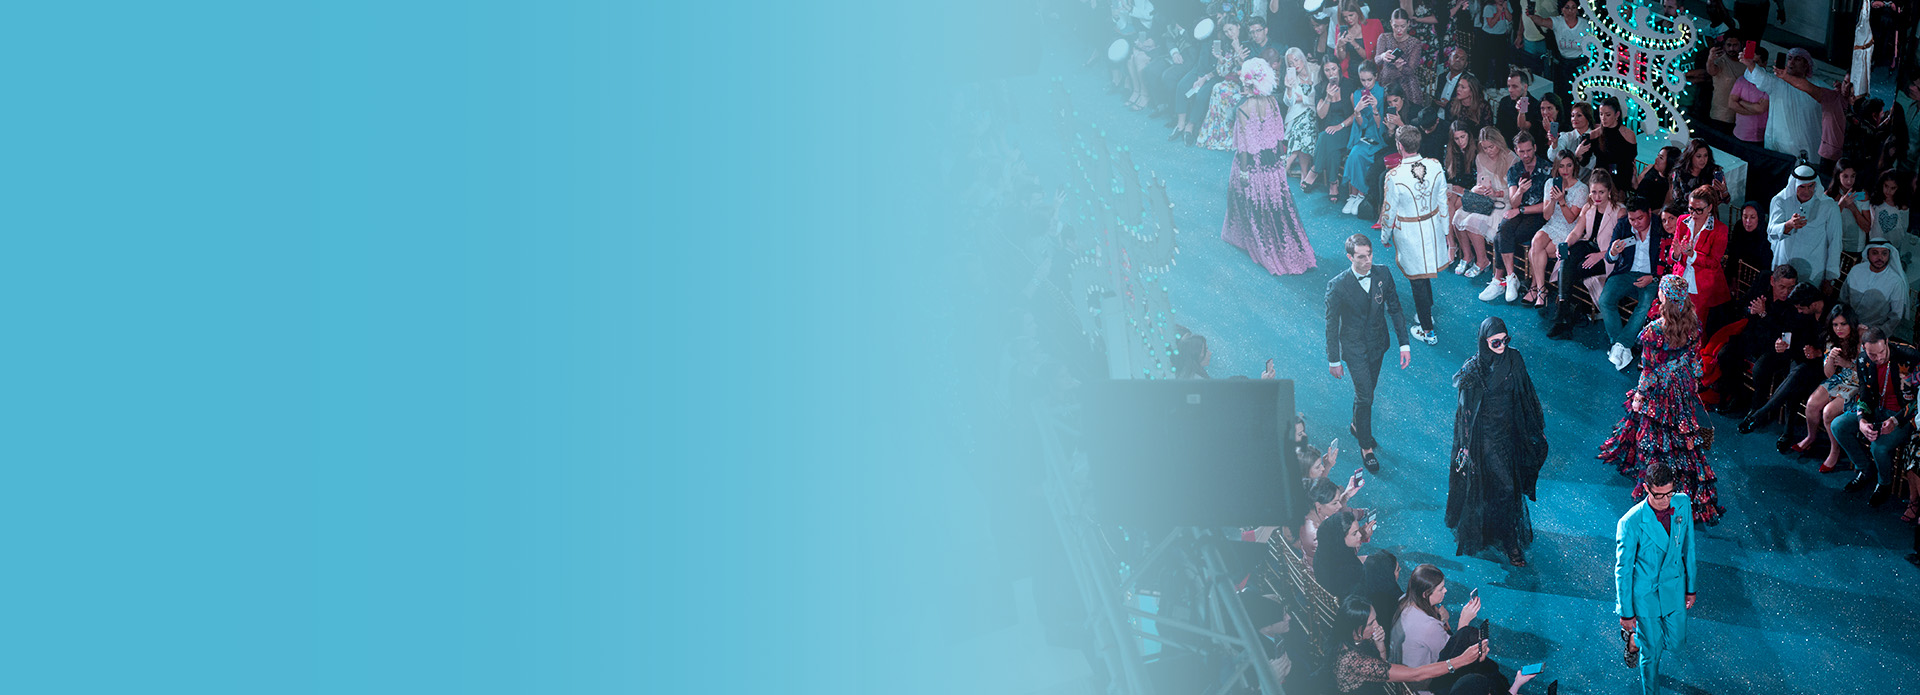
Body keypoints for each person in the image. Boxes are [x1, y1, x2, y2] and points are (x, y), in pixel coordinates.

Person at [1599, 275, 1726, 525]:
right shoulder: (1694, 325)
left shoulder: (1653, 332)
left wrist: (1640, 395)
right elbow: (1695, 362)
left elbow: (1648, 372)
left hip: (1658, 393)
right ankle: (1680, 482)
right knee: (1681, 435)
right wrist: (1691, 382)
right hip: (1682, 388)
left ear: (1664, 297)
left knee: (1654, 437)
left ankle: (1656, 487)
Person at [1446, 317, 1549, 566]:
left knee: (1506, 487)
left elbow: (1527, 393)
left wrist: (1536, 427)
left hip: (1513, 433)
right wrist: (1465, 446)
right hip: (1486, 439)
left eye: (1505, 340)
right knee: (1506, 488)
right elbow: (1465, 413)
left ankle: (1502, 533)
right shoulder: (1473, 370)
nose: (1502, 346)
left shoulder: (1515, 359)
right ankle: (1510, 542)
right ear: (1484, 342)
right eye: (1495, 342)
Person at [1223, 58, 1320, 276]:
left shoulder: (1243, 108)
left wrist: (1244, 171)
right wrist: (1278, 163)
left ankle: (1250, 241)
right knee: (1278, 206)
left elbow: (1244, 146)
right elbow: (1278, 136)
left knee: (1246, 201)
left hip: (1252, 164)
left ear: (1247, 82)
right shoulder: (1273, 102)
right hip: (1272, 163)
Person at [1327, 234, 1413, 473]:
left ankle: (1357, 425)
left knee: (1367, 391)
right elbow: (1331, 326)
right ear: (1350, 257)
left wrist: (1404, 344)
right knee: (1365, 396)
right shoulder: (1337, 286)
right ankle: (1365, 446)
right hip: (1354, 348)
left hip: (1378, 344)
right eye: (1361, 257)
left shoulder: (1383, 273)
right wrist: (1334, 359)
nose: (1367, 261)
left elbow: (1395, 309)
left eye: (1370, 255)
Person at [1614, 461, 1699, 695]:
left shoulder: (1682, 503)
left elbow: (1689, 547)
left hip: (1675, 587)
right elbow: (1622, 571)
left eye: (1669, 494)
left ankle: (1635, 640)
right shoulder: (1630, 522)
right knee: (1652, 654)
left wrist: (1691, 588)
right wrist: (1626, 612)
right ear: (1646, 489)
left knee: (1676, 643)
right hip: (1646, 595)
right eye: (1659, 495)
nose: (1665, 501)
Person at [1330, 595, 1494, 695]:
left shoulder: (1352, 639)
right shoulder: (1354, 662)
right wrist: (1461, 660)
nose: (1377, 625)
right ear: (1356, 629)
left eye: (1375, 619)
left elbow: (1381, 667)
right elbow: (1415, 674)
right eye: (1371, 623)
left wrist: (1380, 645)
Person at [1831, 326, 1920, 508]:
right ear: (1864, 348)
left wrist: (1895, 420)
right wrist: (1862, 420)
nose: (1878, 358)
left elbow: (1918, 401)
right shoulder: (1863, 359)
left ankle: (1884, 483)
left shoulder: (1910, 356)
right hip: (1876, 409)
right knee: (1838, 426)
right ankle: (1865, 469)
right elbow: (1864, 394)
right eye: (1873, 355)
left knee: (1878, 448)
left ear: (1887, 342)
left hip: (1904, 416)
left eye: (1881, 352)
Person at [1382, 125, 1452, 344]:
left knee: (1418, 281)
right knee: (1425, 273)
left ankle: (1428, 331)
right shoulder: (1435, 165)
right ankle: (1426, 311)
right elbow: (1443, 202)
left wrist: (1385, 236)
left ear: (1399, 146)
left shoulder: (1394, 176)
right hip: (1433, 227)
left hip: (1409, 233)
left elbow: (1388, 212)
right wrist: (1446, 232)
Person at [1390, 565, 1498, 695]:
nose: (1445, 590)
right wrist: (1464, 621)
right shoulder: (1429, 627)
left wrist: (1440, 618)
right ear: (1425, 594)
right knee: (1482, 665)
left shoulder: (1405, 600)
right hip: (1426, 683)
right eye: (1441, 589)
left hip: (1405, 673)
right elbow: (1455, 653)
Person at [1549, 169, 1626, 336]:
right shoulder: (1588, 207)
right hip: (1589, 246)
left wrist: (1601, 255)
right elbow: (1577, 232)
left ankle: (1564, 315)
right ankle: (1564, 312)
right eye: (1593, 192)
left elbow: (1623, 245)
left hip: (1608, 255)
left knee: (1574, 269)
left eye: (1601, 192)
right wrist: (1565, 244)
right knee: (1566, 257)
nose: (1597, 196)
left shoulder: (1619, 211)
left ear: (1609, 191)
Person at [1479, 131, 1551, 303]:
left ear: (1535, 148)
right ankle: (1510, 277)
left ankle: (1500, 279)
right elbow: (1514, 202)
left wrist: (1520, 210)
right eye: (1521, 151)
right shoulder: (1515, 170)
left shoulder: (1547, 168)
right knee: (1503, 229)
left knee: (1501, 236)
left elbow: (1547, 206)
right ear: (1516, 151)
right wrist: (1520, 191)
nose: (1525, 155)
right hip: (1519, 211)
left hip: (1538, 214)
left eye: (1528, 150)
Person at [1791, 305, 1862, 473]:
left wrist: (1847, 364)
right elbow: (1829, 374)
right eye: (1835, 325)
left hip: (1859, 383)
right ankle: (1811, 437)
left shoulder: (1861, 338)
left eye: (1843, 324)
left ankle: (1834, 450)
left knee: (1828, 412)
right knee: (1812, 404)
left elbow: (1869, 371)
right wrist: (1830, 358)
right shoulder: (1832, 339)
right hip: (1839, 379)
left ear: (1851, 323)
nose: (1839, 329)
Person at [1597, 203, 1666, 371]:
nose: (1635, 223)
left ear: (1649, 212)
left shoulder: (1660, 225)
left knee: (1645, 305)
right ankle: (1621, 345)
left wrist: (1653, 277)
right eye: (1632, 219)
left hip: (1651, 276)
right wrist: (1613, 252)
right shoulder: (1623, 225)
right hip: (1625, 272)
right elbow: (1610, 258)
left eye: (1640, 218)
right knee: (1605, 300)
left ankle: (1620, 345)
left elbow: (1667, 258)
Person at [1524, 150, 1587, 307]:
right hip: (1552, 225)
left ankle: (1535, 288)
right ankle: (1541, 290)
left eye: (1569, 165)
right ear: (1556, 167)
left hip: (1569, 230)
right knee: (1536, 242)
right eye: (1561, 166)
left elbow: (1571, 219)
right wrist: (1553, 200)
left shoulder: (1582, 189)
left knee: (1536, 252)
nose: (1565, 170)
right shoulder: (1550, 183)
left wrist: (1562, 201)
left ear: (1574, 166)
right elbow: (1546, 216)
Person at [1767, 163, 1844, 291]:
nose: (1807, 191)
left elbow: (1835, 242)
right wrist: (1788, 225)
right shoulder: (1780, 200)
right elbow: (1771, 233)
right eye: (1802, 187)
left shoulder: (1829, 206)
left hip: (1814, 270)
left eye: (1810, 186)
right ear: (1794, 185)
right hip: (1785, 265)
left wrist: (1830, 277)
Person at [1452, 126, 1516, 278]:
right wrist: (1478, 189)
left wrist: (1497, 193)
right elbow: (1479, 181)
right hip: (1485, 199)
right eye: (1485, 148)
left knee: (1472, 222)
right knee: (1457, 217)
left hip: (1503, 202)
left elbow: (1515, 192)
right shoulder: (1480, 157)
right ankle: (1467, 256)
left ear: (1498, 143)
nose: (1488, 151)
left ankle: (1483, 261)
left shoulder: (1512, 158)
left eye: (1491, 147)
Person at [1740, 48, 1821, 166]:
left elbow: (1835, 100)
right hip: (1780, 148)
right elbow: (1761, 78)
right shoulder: (1777, 82)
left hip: (1808, 146)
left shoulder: (1818, 85)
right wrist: (1750, 64)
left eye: (1797, 59)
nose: (1792, 62)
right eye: (1789, 58)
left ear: (1806, 65)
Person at [1664, 186, 1731, 323]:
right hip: (1680, 278)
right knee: (1672, 319)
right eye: (1691, 209)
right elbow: (1673, 253)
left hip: (1702, 284)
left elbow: (1714, 262)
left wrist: (1693, 255)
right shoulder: (1682, 220)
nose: (1693, 214)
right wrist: (1676, 254)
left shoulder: (1720, 229)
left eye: (1699, 210)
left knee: (1694, 323)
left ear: (1709, 208)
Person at [1342, 62, 1389, 215]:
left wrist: (1375, 108)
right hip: (1363, 136)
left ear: (1376, 76)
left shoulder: (1382, 93)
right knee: (1355, 153)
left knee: (1357, 154)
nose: (1366, 84)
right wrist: (1357, 112)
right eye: (1363, 80)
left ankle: (1360, 195)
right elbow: (1361, 125)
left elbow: (1381, 127)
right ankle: (1354, 196)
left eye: (1369, 79)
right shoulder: (1357, 94)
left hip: (1379, 136)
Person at [1842, 241, 1910, 339]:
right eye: (1875, 253)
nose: (1880, 257)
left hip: (1874, 334)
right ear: (1867, 254)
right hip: (1849, 326)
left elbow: (1895, 317)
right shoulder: (1856, 270)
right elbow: (1843, 299)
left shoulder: (1895, 282)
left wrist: (1875, 334)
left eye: (1884, 254)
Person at [1316, 59, 1357, 196]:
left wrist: (1341, 125)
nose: (1331, 73)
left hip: (1346, 126)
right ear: (1323, 72)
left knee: (1324, 137)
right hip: (1329, 127)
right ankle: (1333, 183)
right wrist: (1328, 97)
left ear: (1339, 68)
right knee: (1332, 148)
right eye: (1327, 70)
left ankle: (1315, 170)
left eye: (1333, 68)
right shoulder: (1320, 88)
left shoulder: (1349, 85)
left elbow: (1356, 113)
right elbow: (1321, 115)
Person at [1315, 508, 1375, 598]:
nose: (1359, 535)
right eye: (1354, 533)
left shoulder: (1327, 548)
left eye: (1358, 530)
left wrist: (1363, 535)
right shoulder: (1351, 571)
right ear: (1340, 538)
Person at [1283, 48, 1324, 180]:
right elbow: (1289, 102)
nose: (1295, 64)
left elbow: (1319, 97)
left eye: (1296, 60)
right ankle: (1303, 173)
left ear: (1302, 58)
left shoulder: (1316, 72)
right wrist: (1289, 88)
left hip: (1314, 114)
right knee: (1303, 130)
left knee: (1303, 128)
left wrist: (1304, 99)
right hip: (1296, 115)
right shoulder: (1291, 77)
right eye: (1291, 63)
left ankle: (1286, 165)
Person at [1375, 10, 1427, 107]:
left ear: (1408, 23)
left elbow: (1411, 70)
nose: (1399, 30)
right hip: (1387, 81)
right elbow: (1377, 61)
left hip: (1406, 84)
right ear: (1391, 23)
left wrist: (1400, 67)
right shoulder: (1384, 38)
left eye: (1402, 26)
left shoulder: (1415, 43)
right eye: (1396, 26)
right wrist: (1382, 56)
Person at [1725, 45, 1771, 145]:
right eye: (1751, 62)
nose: (1752, 66)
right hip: (1739, 134)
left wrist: (1741, 102)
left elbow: (1760, 109)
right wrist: (1753, 109)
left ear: (1765, 63)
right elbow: (1731, 104)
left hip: (1760, 137)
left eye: (1756, 63)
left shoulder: (1770, 83)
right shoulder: (1742, 80)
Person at [1702, 34, 1745, 130]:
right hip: (1720, 116)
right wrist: (1710, 59)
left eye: (1735, 45)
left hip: (1740, 117)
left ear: (1741, 44)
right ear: (1724, 45)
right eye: (1729, 45)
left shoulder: (1746, 63)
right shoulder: (1720, 61)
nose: (1732, 48)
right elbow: (1711, 71)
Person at [1828, 159, 1871, 254]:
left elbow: (1867, 228)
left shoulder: (1862, 194)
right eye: (1845, 176)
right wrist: (1841, 205)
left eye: (1853, 176)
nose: (1849, 181)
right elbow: (1825, 223)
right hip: (1834, 244)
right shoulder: (1829, 195)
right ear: (1838, 176)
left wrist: (1853, 208)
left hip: (1856, 246)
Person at [1494, 68, 1540, 146]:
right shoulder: (1504, 102)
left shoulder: (1536, 105)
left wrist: (1521, 112)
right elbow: (1499, 128)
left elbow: (1523, 129)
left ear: (1525, 87)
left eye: (1514, 86)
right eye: (1509, 86)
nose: (1510, 90)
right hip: (1506, 145)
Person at [1633, 145, 1679, 211]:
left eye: (1661, 158)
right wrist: (1634, 175)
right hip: (1635, 206)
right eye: (1658, 156)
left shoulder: (1671, 182)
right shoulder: (1649, 168)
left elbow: (1664, 208)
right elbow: (1635, 187)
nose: (1656, 159)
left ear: (1669, 162)